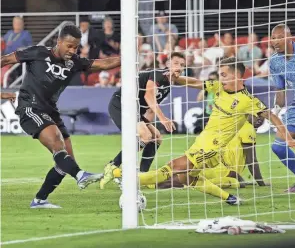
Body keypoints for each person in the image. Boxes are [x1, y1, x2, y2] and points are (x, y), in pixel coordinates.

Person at [106, 58, 295, 204]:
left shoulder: (248, 100)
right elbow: (195, 82)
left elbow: (272, 116)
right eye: (220, 75)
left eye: (224, 75)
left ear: (238, 76)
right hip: (201, 143)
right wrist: (176, 77)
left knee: (172, 168)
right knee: (189, 179)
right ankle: (229, 198)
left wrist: (287, 137)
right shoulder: (220, 88)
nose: (221, 79)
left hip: (211, 148)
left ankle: (118, 175)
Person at [0, 22, 121, 208]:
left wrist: (128, 58)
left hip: (51, 111)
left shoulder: (74, 63)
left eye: (76, 47)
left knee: (65, 163)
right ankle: (81, 175)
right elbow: (5, 60)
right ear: (59, 41)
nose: (72, 50)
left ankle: (39, 200)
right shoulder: (39, 53)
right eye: (69, 45)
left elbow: (103, 64)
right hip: (29, 107)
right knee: (58, 144)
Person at [99, 52, 186, 189]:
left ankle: (142, 176)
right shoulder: (159, 74)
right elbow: (148, 96)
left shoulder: (167, 86)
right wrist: (163, 119)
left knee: (156, 137)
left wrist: (148, 125)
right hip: (121, 104)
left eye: (182, 65)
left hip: (135, 109)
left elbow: (150, 109)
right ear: (168, 64)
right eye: (176, 63)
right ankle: (112, 166)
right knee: (145, 136)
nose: (179, 67)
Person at [150, 117, 267, 190]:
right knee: (236, 183)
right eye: (256, 114)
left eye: (263, 115)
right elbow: (251, 160)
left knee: (183, 174)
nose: (260, 118)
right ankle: (154, 183)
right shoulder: (248, 129)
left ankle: (149, 181)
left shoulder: (235, 123)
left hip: (215, 163)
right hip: (223, 169)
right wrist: (261, 183)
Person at [269, 24, 295, 193]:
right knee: (278, 146)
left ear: (289, 37)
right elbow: (280, 90)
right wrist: (276, 110)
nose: (275, 41)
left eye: (279, 37)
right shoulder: (274, 61)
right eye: (273, 38)